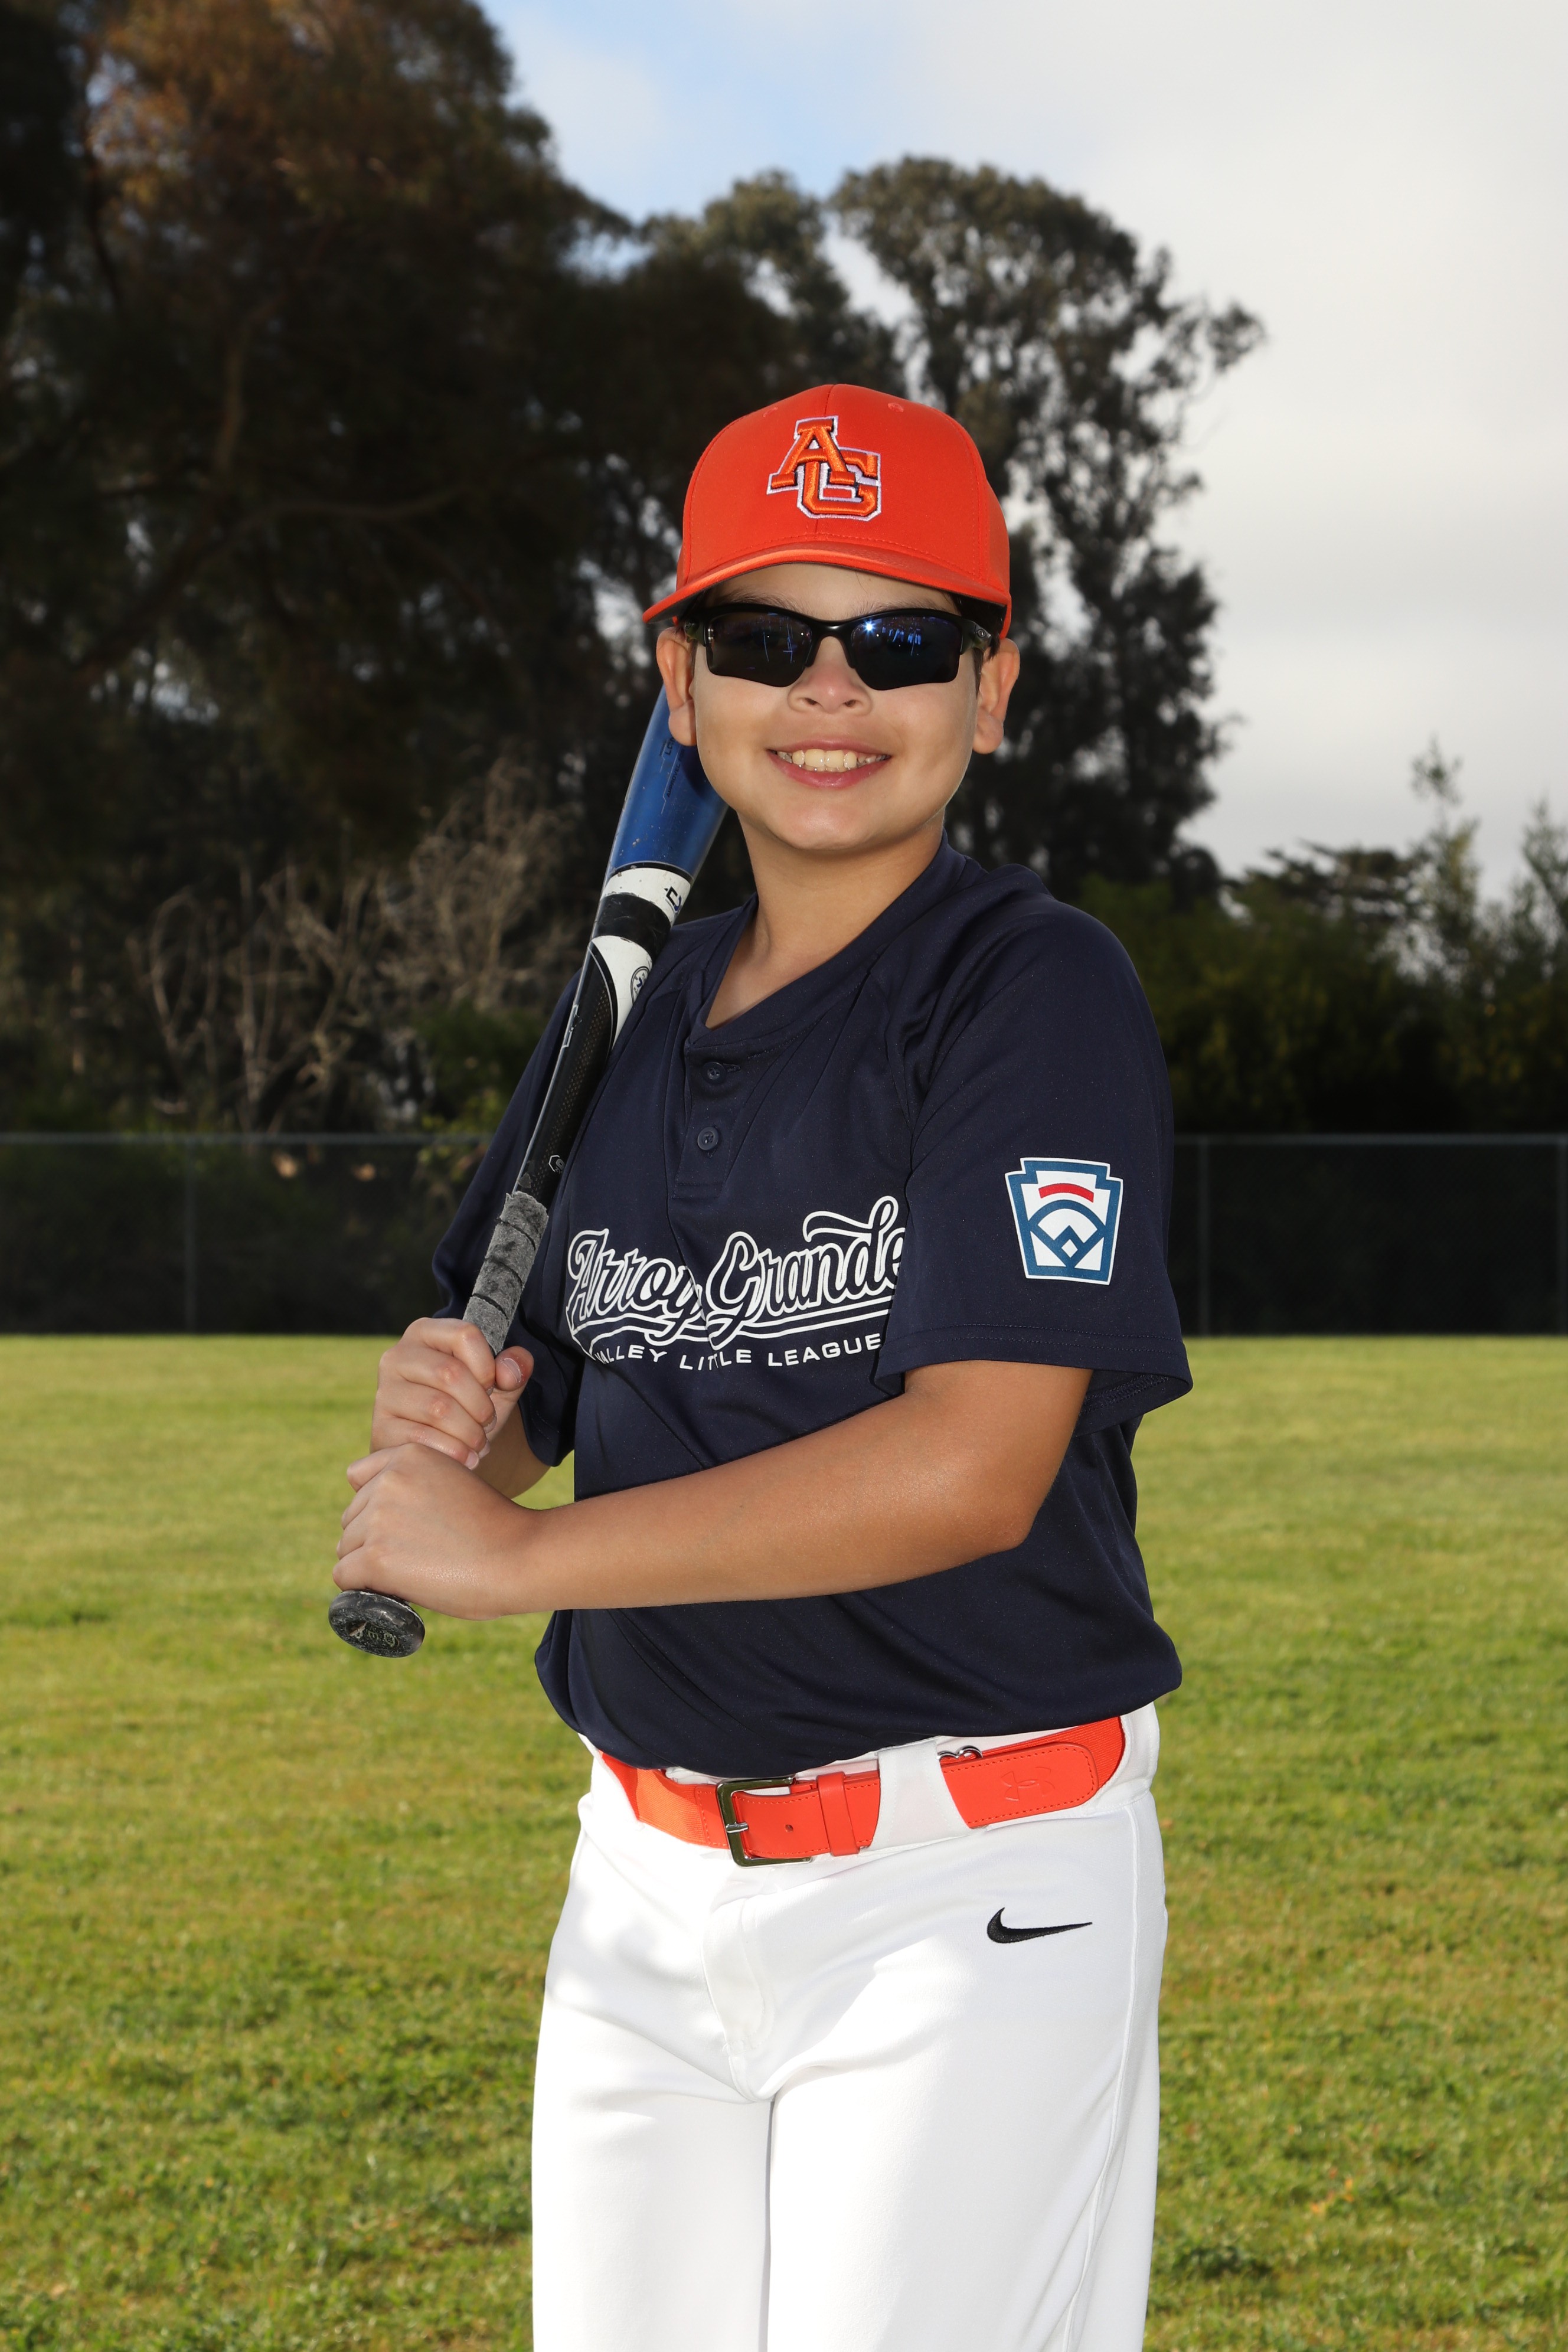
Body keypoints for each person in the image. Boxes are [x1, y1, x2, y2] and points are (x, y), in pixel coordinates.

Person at [336, 384, 1191, 2352]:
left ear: (992, 692)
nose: (830, 690)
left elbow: (973, 1462)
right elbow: (539, 1373)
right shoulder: (626, 1023)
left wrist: (521, 1554)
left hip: (963, 1887)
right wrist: (468, 1422)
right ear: (681, 683)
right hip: (641, 1890)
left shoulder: (1029, 989)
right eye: (761, 637)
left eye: (899, 640)